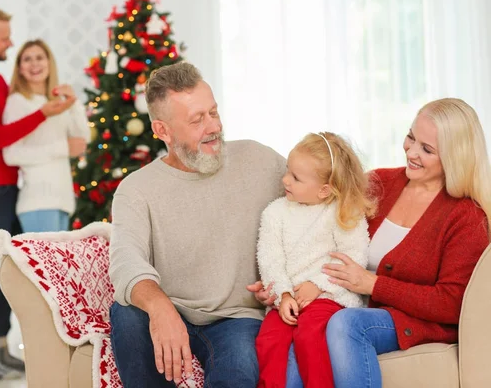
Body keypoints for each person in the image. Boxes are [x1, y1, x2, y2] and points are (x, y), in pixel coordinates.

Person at [251, 98, 491, 388]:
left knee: (346, 324)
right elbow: (320, 236)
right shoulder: (379, 183)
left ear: (455, 157)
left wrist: (372, 285)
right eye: (411, 137)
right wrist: (280, 289)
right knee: (290, 348)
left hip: (413, 321)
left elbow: (452, 303)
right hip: (352, 303)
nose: (411, 152)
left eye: (426, 149)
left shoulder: (466, 217)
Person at [108, 62, 286, 388]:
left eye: (214, 112)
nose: (213, 126)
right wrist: (160, 307)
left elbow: (312, 205)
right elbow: (125, 261)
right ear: (163, 131)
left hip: (236, 317)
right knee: (126, 313)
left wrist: (285, 278)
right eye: (197, 120)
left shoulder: (260, 160)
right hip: (171, 307)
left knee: (240, 370)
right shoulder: (137, 189)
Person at [0, 8, 75, 380]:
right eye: (5, 38)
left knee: (0, 273)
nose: (9, 43)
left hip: (2, 189)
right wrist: (44, 114)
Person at [255, 132, 375, 388]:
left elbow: (354, 257)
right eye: (288, 170)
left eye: (296, 178)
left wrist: (318, 285)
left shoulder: (344, 212)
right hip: (288, 299)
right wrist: (284, 294)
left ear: (324, 190)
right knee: (270, 339)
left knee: (311, 333)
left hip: (330, 297)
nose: (285, 179)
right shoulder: (275, 213)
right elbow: (269, 258)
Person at [2, 39, 90, 233]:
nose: (34, 63)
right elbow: (11, 155)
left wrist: (73, 103)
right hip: (38, 202)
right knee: (45, 264)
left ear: (49, 63)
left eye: (40, 57)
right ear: (20, 68)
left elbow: (83, 139)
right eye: (27, 59)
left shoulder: (56, 103)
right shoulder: (18, 102)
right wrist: (63, 148)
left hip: (62, 201)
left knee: (58, 264)